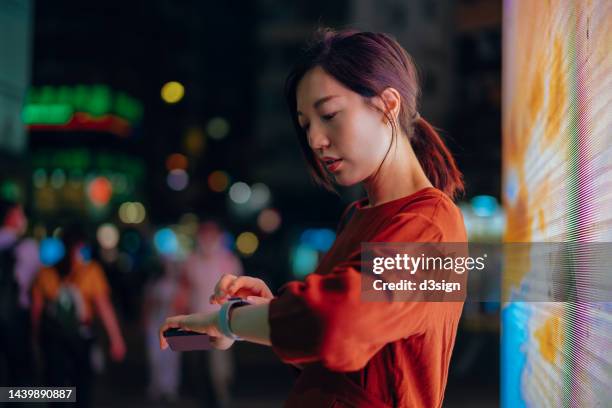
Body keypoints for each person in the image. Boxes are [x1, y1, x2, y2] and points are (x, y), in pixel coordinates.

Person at [160, 28, 467, 408]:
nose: (315, 140)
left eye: (329, 115)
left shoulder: (433, 227)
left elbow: (338, 325)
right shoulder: (358, 217)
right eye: (306, 124)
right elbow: (336, 358)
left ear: (389, 104)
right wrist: (274, 312)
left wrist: (229, 321)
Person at [31, 225, 126, 408]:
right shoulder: (91, 271)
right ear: (81, 246)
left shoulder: (46, 273)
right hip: (81, 338)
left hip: (53, 339)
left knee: (56, 388)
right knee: (82, 386)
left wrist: (35, 340)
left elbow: (37, 312)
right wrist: (116, 338)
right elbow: (103, 307)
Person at [180, 221, 243, 408]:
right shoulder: (191, 261)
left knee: (219, 369)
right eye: (204, 234)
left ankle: (221, 401)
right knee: (197, 367)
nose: (207, 239)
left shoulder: (229, 260)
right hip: (196, 322)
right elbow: (184, 290)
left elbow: (239, 292)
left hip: (221, 323)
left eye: (211, 234)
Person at [0, 199, 39, 389]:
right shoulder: (27, 247)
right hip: (16, 315)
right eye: (20, 214)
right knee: (17, 376)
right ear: (10, 217)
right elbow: (36, 284)